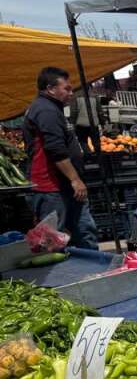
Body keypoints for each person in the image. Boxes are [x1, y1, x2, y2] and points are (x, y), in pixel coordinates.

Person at [23, 67, 98, 249]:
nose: (71, 93)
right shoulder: (46, 111)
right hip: (52, 187)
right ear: (50, 89)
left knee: (83, 231)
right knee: (52, 241)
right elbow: (55, 149)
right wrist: (75, 179)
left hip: (63, 185)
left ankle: (93, 269)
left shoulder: (51, 108)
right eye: (67, 89)